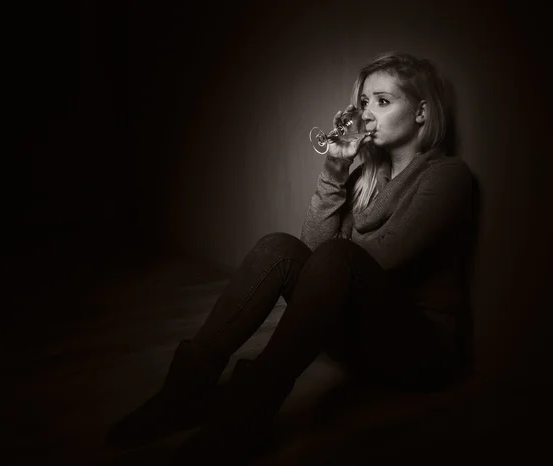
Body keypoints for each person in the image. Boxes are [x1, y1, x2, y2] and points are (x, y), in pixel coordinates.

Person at [104, 51, 475, 464]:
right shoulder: (368, 179)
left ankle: (249, 415)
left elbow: (372, 260)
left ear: (422, 112)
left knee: (339, 255)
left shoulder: (447, 177)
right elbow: (314, 255)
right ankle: (184, 393)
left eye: (383, 102)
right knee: (277, 248)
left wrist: (335, 253)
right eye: (365, 102)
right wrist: (335, 172)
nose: (368, 114)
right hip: (360, 346)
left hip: (419, 354)